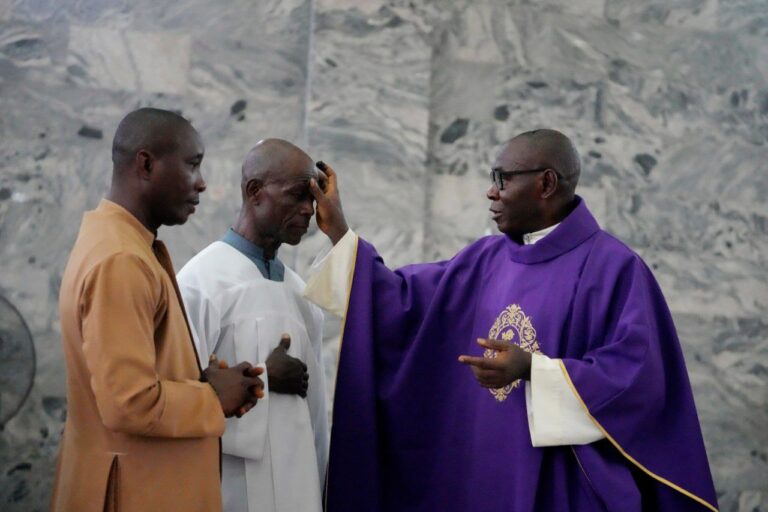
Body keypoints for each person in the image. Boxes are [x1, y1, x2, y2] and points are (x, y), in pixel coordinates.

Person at [304, 129, 718, 511]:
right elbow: (400, 304)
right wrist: (339, 230)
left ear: (546, 183)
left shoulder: (615, 269)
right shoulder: (482, 260)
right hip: (475, 475)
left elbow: (638, 380)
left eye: (502, 179)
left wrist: (535, 370)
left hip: (560, 485)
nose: (491, 191)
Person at [50, 108, 265, 512]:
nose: (201, 182)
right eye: (192, 165)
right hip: (133, 492)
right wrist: (212, 396)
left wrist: (201, 380)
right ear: (146, 164)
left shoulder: (120, 241)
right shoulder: (121, 259)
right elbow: (129, 403)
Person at [177, 139, 329, 512]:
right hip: (227, 487)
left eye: (313, 198)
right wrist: (263, 379)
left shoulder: (303, 295)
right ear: (254, 191)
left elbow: (316, 415)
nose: (309, 209)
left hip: (299, 488)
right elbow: (176, 398)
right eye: (298, 195)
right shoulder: (201, 283)